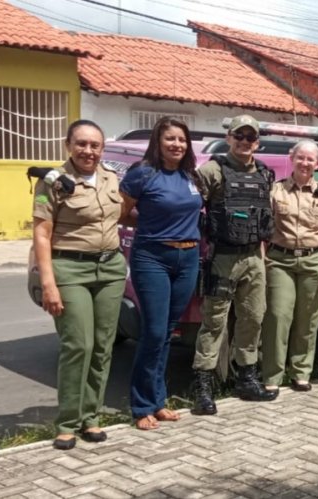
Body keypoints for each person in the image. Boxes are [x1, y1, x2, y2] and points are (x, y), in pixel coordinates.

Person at [32, 119, 127, 450]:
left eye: (95, 145)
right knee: (78, 345)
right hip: (69, 268)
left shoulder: (112, 178)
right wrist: (49, 284)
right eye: (82, 144)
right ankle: (67, 422)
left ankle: (91, 416)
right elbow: (42, 233)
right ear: (68, 145)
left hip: (111, 268)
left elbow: (124, 215)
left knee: (102, 345)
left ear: (102, 148)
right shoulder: (53, 183)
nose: (89, 150)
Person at [119, 117, 204, 430]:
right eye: (170, 139)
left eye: (182, 140)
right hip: (153, 257)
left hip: (188, 257)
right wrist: (152, 227)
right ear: (158, 141)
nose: (177, 145)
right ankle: (141, 406)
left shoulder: (189, 175)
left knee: (166, 333)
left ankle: (158, 401)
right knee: (153, 332)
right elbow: (121, 212)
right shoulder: (143, 173)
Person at [191, 114, 277, 415]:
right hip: (223, 257)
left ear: (257, 142)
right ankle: (203, 387)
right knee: (214, 322)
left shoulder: (265, 174)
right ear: (229, 138)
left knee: (253, 318)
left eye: (250, 137)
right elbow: (189, 207)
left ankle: (247, 379)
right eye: (238, 136)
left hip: (255, 256)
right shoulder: (212, 171)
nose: (244, 142)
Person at [262, 140, 318, 395]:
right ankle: (272, 376)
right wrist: (263, 263)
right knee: (278, 317)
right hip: (280, 261)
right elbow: (263, 232)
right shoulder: (275, 191)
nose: (305, 163)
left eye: (311, 159)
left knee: (308, 320)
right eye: (301, 158)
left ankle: (301, 373)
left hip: (313, 261)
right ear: (292, 158)